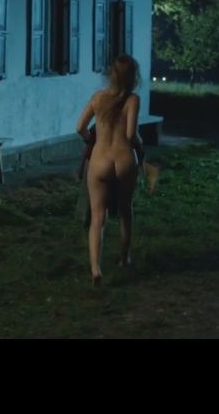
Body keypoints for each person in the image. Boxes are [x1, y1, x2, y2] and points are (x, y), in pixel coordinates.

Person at [76, 54, 141, 287]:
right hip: (124, 160)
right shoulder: (132, 100)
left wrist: (91, 140)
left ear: (111, 75)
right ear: (132, 77)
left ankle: (96, 269)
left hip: (100, 160)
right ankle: (124, 257)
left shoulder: (98, 98)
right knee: (125, 211)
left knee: (97, 217)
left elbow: (80, 127)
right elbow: (131, 135)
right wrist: (141, 146)